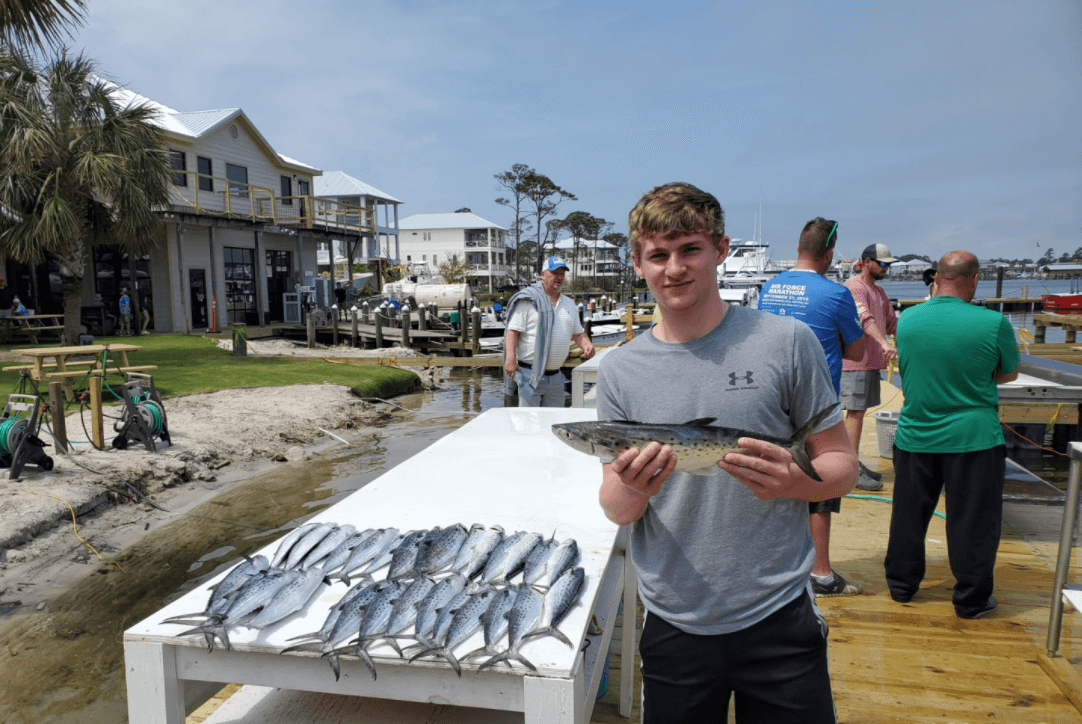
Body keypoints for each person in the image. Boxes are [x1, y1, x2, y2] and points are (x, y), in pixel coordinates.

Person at [597, 183, 856, 723]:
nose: (674, 269)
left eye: (690, 249)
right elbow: (618, 509)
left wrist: (795, 484)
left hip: (780, 613)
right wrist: (632, 488)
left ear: (721, 249)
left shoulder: (786, 342)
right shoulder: (620, 369)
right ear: (638, 263)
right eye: (658, 255)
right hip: (674, 622)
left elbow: (841, 466)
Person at [884, 250, 1019, 620]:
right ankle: (971, 599)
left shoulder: (907, 320)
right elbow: (1009, 374)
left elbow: (908, 365)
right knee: (974, 520)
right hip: (973, 437)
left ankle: (901, 585)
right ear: (974, 279)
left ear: (936, 278)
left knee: (908, 516)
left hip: (915, 434)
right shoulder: (993, 323)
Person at [759, 217, 867, 598]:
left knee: (776, 478)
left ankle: (778, 565)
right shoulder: (836, 294)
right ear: (830, 252)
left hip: (771, 401)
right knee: (818, 483)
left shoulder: (769, 287)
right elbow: (857, 351)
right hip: (817, 407)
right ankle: (820, 572)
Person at [841, 243, 901, 491]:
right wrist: (884, 344)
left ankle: (853, 463)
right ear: (866, 262)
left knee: (859, 413)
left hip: (870, 364)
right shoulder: (854, 288)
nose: (887, 268)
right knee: (853, 414)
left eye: (889, 264)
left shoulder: (879, 291)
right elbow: (864, 319)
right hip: (854, 364)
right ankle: (849, 470)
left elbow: (890, 322)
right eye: (883, 263)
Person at [504, 255, 595, 407]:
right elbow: (513, 331)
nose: (559, 277)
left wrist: (586, 344)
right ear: (543, 274)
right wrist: (510, 359)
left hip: (556, 378)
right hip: (529, 375)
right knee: (528, 424)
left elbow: (578, 333)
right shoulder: (529, 300)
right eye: (554, 273)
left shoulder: (569, 304)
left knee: (553, 424)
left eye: (562, 273)